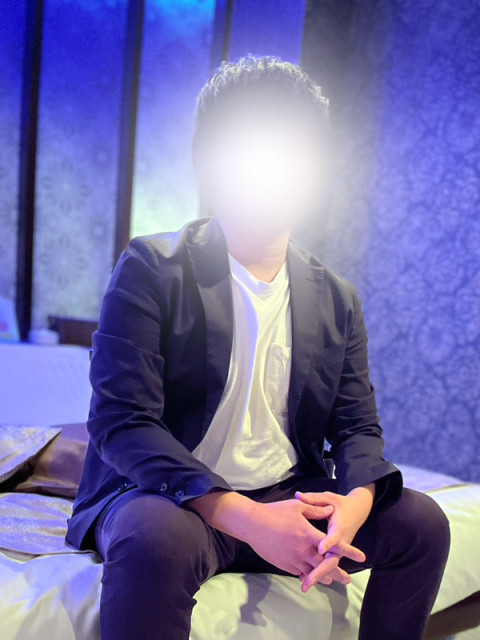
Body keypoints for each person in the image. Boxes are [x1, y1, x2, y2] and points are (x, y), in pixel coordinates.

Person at [66, 55, 450, 640]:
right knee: (153, 541)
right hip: (175, 498)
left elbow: (357, 429)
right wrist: (249, 520)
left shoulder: (336, 297)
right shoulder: (152, 268)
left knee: (422, 524)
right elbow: (122, 422)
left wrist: (354, 504)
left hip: (286, 491)